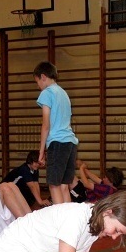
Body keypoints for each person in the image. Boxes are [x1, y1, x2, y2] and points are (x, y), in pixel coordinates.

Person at [33, 61, 78, 205]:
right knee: (64, 186)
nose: (38, 86)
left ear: (43, 77)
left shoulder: (47, 93)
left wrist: (41, 151)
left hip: (57, 143)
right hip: (70, 143)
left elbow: (46, 125)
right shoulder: (63, 93)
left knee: (54, 185)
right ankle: (68, 218)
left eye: (37, 82)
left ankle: (59, 218)